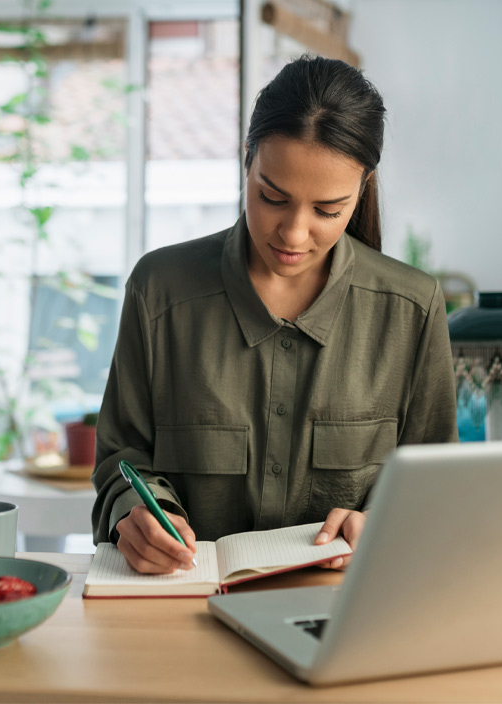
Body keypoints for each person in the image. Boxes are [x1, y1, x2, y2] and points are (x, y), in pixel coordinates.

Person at [91, 55, 458, 574]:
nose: (293, 234)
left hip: (344, 610)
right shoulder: (160, 291)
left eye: (328, 210)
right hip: (182, 604)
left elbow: (436, 485)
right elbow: (120, 458)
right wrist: (138, 514)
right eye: (272, 197)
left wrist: (386, 522)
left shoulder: (411, 309)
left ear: (363, 187)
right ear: (247, 159)